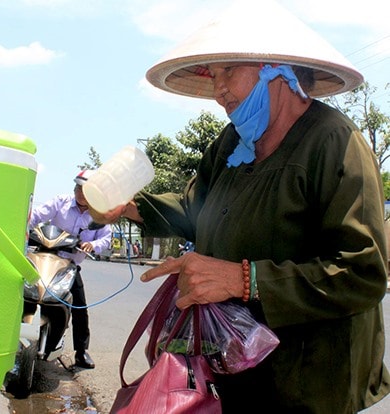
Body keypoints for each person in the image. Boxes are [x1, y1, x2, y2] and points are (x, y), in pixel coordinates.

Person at [90, 1, 390, 412]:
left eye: (229, 71)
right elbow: (196, 209)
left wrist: (242, 280)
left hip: (308, 383)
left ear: (276, 69)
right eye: (213, 76)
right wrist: (124, 206)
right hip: (233, 371)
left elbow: (362, 273)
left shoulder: (336, 144)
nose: (218, 92)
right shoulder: (229, 144)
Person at [28, 169, 112, 369]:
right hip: (44, 258)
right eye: (77, 187)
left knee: (80, 307)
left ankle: (81, 352)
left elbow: (106, 238)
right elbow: (36, 216)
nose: (79, 192)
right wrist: (24, 228)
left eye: (85, 189)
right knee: (19, 291)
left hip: (69, 268)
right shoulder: (61, 202)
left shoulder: (99, 215)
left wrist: (93, 245)